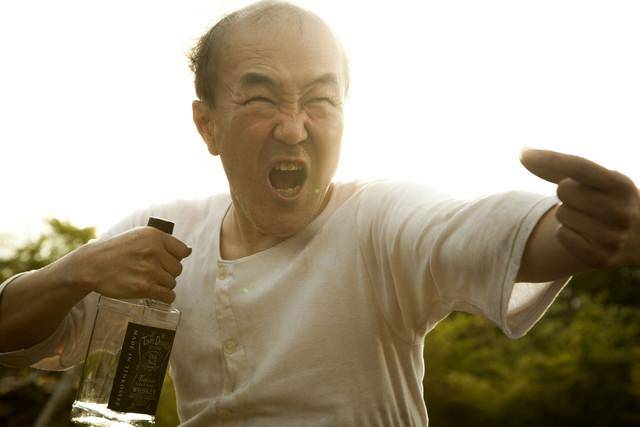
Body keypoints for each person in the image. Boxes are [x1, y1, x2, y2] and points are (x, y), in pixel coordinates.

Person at [1, 1, 638, 425]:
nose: (294, 127)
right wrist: (74, 271)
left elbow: (471, 230)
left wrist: (576, 232)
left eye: (320, 100)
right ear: (207, 124)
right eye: (261, 98)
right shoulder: (160, 235)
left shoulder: (380, 219)